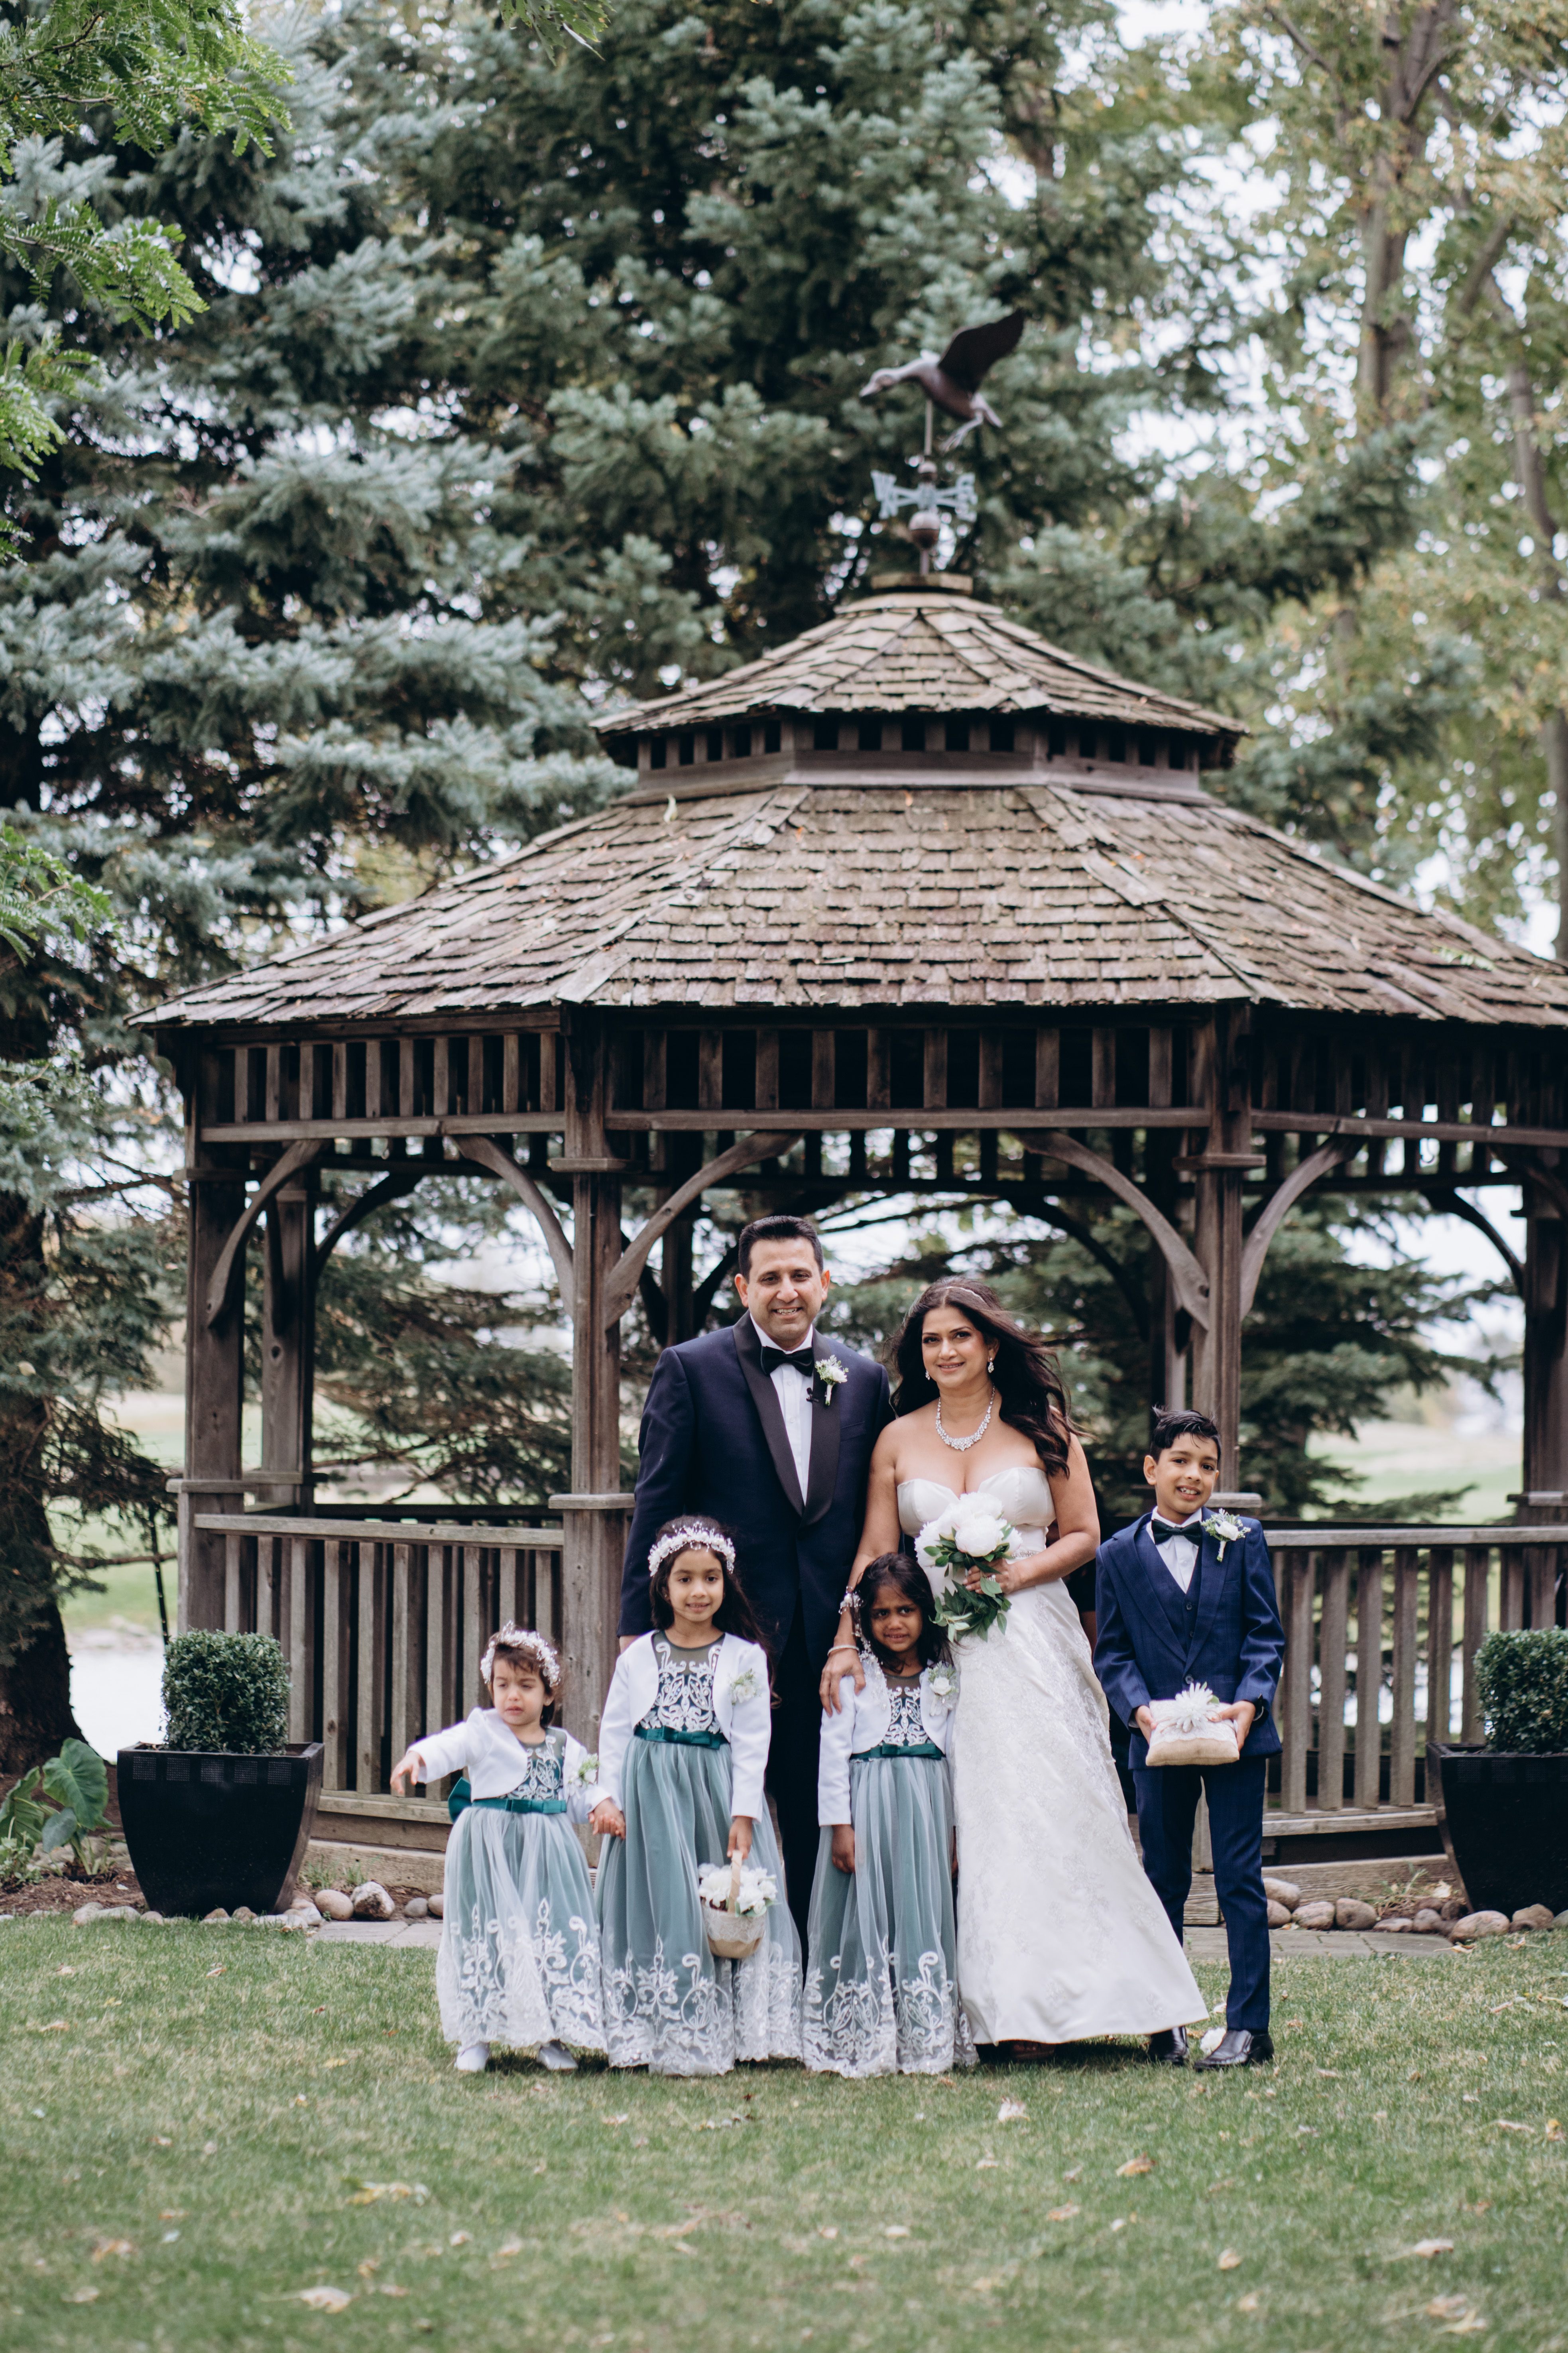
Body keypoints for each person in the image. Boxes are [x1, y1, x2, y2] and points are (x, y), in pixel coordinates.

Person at [821, 1278, 1204, 2057]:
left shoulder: (1042, 1428)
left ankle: (1132, 1996)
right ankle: (1002, 2010)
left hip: (1031, 1639)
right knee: (974, 1817)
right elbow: (875, 1551)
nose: (945, 1351)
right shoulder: (896, 1439)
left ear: (991, 1343)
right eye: (931, 1340)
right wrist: (843, 1638)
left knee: (1057, 1803)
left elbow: (1083, 1534)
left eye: (959, 1335)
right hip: (936, 1648)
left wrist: (1011, 1576)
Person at [618, 1214, 892, 1948]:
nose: (786, 1290)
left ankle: (806, 1969)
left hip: (828, 1642)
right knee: (715, 1808)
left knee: (817, 1812)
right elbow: (656, 1502)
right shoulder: (689, 1368)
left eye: (800, 1275)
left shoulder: (865, 1379)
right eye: (769, 1277)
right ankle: (708, 1966)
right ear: (743, 1287)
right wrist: (635, 1628)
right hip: (719, 1635)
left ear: (824, 1283)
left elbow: (878, 1512)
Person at [1094, 1406, 1285, 2070]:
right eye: (1180, 1461)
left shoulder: (1243, 1539)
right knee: (1163, 1876)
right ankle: (1164, 2020)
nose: (1193, 1475)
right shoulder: (1116, 1554)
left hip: (1237, 1737)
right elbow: (1112, 1651)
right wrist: (1138, 1710)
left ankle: (1249, 2027)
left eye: (1207, 1465)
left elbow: (1264, 1633)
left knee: (1238, 1877)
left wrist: (1249, 1702)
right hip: (1156, 1744)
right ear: (1152, 1468)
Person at [592, 1517, 802, 2074]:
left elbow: (753, 1740)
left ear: (726, 1582)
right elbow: (614, 1732)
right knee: (659, 1900)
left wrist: (744, 1812)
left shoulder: (744, 1656)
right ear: (663, 1586)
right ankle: (649, 2024)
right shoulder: (638, 1656)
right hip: (650, 1797)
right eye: (684, 1579)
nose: (698, 1591)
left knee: (719, 1905)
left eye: (710, 1577)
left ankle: (727, 2023)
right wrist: (607, 1797)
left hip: (713, 1792)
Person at [390, 1626, 604, 2075]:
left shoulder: (564, 1746)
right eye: (503, 1685)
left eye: (526, 1686)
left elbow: (585, 1787)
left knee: (548, 1934)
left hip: (547, 1856)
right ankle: (476, 2033)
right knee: (483, 1934)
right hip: (489, 1852)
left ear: (548, 1693)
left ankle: (550, 2035)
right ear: (491, 1688)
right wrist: (418, 1758)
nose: (513, 1696)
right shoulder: (483, 1731)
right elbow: (451, 1745)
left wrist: (602, 1805)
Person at [805, 1550, 975, 2077]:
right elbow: (832, 1755)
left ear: (925, 1611)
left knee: (920, 1907)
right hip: (868, 1807)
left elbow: (958, 1757)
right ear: (865, 1620)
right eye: (880, 1613)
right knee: (868, 1909)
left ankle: (923, 2030)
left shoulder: (946, 1675)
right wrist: (839, 1826)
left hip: (926, 1808)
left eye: (905, 1610)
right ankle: (860, 2026)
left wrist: (956, 1830)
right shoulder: (854, 1676)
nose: (894, 1623)